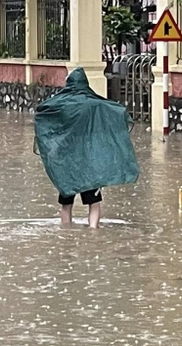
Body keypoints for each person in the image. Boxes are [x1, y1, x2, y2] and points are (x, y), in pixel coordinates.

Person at [34, 68, 140, 229]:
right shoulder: (95, 104)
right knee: (94, 201)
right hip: (90, 163)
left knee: (66, 203)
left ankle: (67, 232)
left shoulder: (61, 104)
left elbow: (42, 112)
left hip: (67, 162)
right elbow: (118, 112)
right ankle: (93, 231)